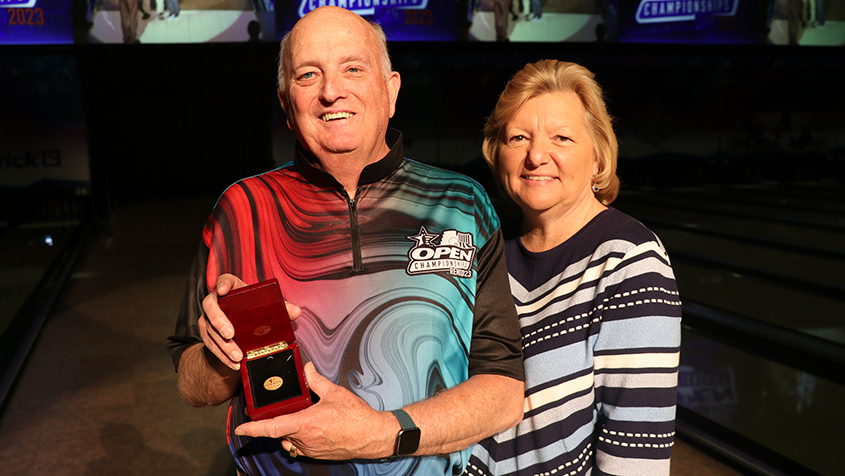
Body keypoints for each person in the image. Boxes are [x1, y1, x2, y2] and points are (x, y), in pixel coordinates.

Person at [166, 6, 524, 476]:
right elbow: (191, 384)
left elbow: (503, 390)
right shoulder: (241, 208)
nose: (331, 91)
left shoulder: (461, 203)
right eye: (308, 75)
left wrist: (382, 433)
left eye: (352, 68)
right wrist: (223, 356)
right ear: (286, 104)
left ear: (390, 90)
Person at [466, 60, 682, 475]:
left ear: (599, 157)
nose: (536, 156)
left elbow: (635, 458)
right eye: (518, 138)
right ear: (498, 155)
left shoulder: (629, 260)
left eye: (561, 137)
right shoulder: (487, 255)